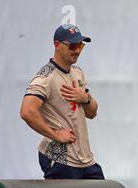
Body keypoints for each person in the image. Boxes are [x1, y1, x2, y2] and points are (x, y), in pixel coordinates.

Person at [20, 24, 104, 179]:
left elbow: (92, 113)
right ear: (57, 45)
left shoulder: (77, 72)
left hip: (85, 160)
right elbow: (27, 112)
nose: (77, 51)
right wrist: (55, 135)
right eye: (73, 46)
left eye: (80, 45)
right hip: (61, 159)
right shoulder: (45, 77)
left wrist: (85, 98)